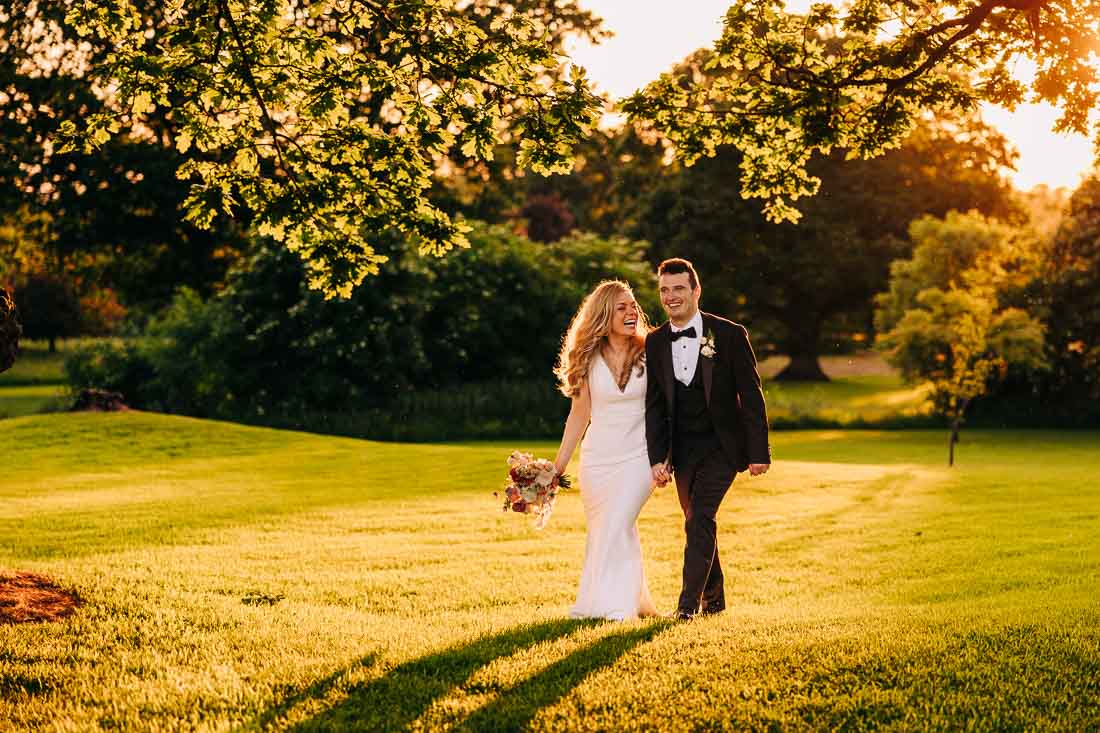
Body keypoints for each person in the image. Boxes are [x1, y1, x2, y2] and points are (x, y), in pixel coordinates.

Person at [645, 258, 771, 621]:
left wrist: (758, 451)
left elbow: (751, 395)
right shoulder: (654, 343)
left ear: (696, 291)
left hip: (722, 446)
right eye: (665, 290)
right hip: (682, 451)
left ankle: (686, 607)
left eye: (679, 288)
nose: (671, 297)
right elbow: (654, 405)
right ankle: (715, 601)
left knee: (700, 515)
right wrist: (658, 456)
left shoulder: (729, 335)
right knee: (696, 519)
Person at [553, 280, 658, 621]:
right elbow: (578, 416)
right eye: (622, 307)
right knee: (610, 527)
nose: (631, 313)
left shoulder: (652, 352)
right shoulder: (585, 357)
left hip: (640, 457)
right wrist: (557, 468)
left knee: (619, 521)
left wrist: (666, 457)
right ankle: (637, 602)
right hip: (598, 460)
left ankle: (613, 607)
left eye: (633, 306)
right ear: (603, 314)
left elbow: (667, 410)